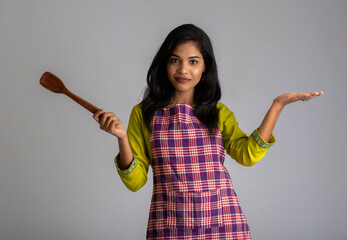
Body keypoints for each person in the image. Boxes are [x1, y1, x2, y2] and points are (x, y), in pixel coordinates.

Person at [93, 24, 323, 240]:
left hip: (223, 222)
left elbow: (247, 154)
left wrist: (277, 106)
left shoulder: (218, 113)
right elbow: (135, 181)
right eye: (175, 60)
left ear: (205, 67)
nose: (183, 69)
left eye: (193, 62)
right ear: (165, 64)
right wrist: (122, 137)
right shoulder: (144, 114)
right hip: (170, 225)